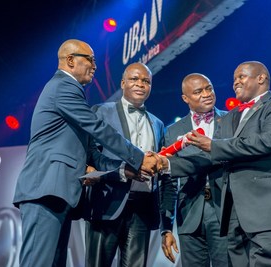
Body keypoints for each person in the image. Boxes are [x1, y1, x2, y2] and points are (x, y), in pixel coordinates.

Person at [12, 39, 159, 267]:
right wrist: (139, 157)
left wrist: (122, 169)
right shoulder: (63, 86)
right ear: (71, 60)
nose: (95, 66)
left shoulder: (70, 91)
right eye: (90, 59)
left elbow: (91, 151)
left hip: (59, 192)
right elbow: (97, 127)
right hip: (46, 189)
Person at [161, 61, 271, 266]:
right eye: (234, 79)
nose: (235, 82)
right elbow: (211, 158)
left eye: (241, 76)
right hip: (235, 214)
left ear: (261, 78)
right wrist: (165, 165)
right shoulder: (233, 116)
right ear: (185, 98)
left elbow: (264, 143)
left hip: (266, 208)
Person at [84, 62, 165, 267]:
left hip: (143, 206)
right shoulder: (101, 112)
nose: (140, 84)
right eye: (134, 79)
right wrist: (122, 171)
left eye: (146, 81)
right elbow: (92, 155)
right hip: (108, 202)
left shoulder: (157, 124)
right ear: (122, 83)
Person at [160, 73, 228, 266]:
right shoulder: (172, 131)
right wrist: (166, 228)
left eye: (209, 88)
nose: (207, 94)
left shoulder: (232, 120)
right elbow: (169, 183)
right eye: (198, 91)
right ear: (185, 98)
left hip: (225, 212)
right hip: (189, 213)